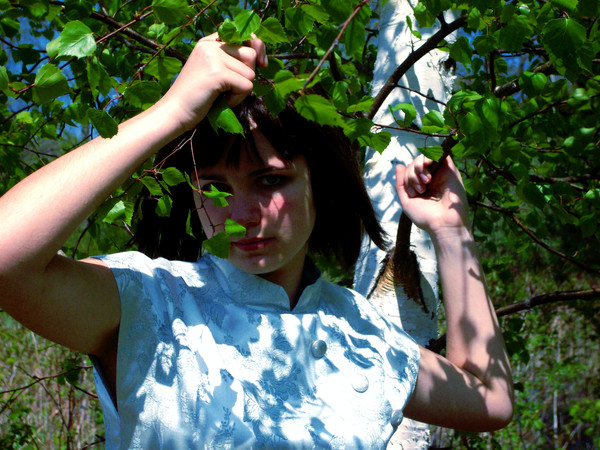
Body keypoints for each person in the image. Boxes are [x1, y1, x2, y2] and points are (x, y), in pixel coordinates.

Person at [0, 33, 513, 448]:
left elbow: (488, 398)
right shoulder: (153, 300)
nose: (241, 216)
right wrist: (171, 112)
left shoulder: (360, 332)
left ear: (320, 182)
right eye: (214, 188)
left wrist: (452, 232)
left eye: (269, 180)